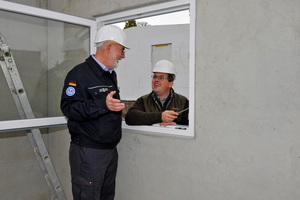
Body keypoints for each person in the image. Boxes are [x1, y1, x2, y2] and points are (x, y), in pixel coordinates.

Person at [60, 25, 129, 200]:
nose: (123, 55)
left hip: (109, 151)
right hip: (89, 152)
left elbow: (107, 106)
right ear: (109, 47)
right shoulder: (78, 74)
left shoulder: (109, 74)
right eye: (121, 50)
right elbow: (69, 108)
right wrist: (102, 104)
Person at [125, 60, 189, 126]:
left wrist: (175, 125)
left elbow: (192, 124)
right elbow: (130, 117)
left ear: (170, 83)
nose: (156, 80)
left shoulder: (183, 102)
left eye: (161, 77)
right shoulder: (144, 101)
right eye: (155, 77)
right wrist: (160, 117)